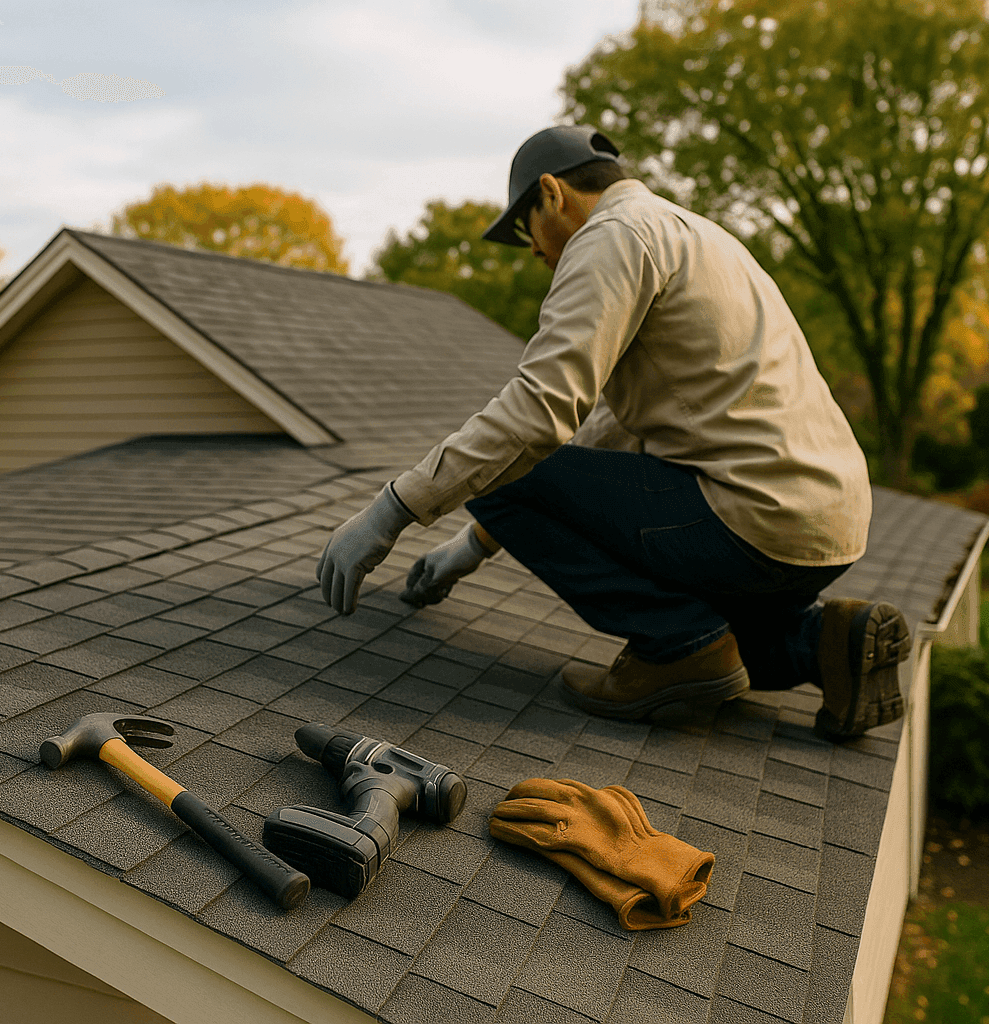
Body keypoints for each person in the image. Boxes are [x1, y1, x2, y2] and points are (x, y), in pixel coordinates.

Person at [315, 125, 909, 740]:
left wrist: (389, 511)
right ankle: (822, 645)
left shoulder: (610, 237)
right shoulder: (699, 235)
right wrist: (471, 548)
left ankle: (675, 647)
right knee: (727, 643)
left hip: (750, 519)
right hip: (825, 530)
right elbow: (609, 428)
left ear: (552, 194)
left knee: (501, 472)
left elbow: (536, 414)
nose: (538, 255)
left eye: (529, 235)